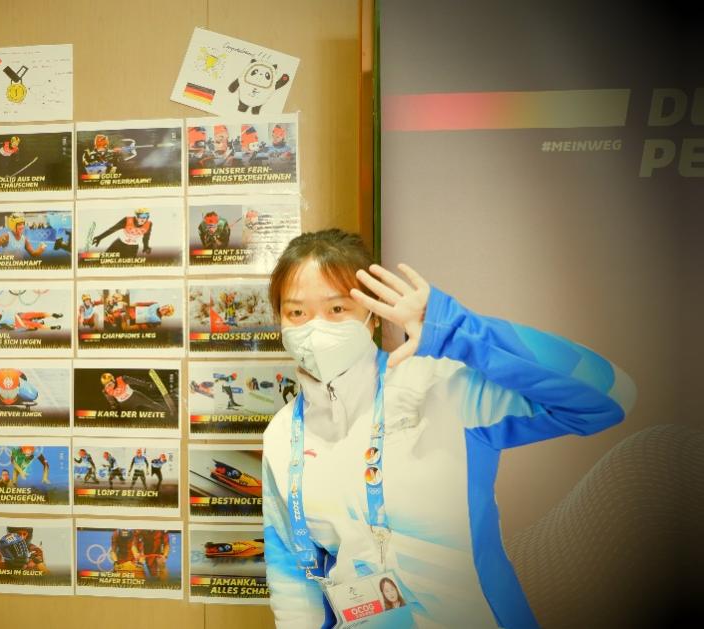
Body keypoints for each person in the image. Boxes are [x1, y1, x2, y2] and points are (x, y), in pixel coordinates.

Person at [261, 229, 635, 628]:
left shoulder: (443, 386)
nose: (315, 329)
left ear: (373, 315)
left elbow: (608, 393)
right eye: (296, 313)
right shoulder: (282, 436)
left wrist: (455, 330)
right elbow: (294, 580)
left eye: (337, 309)